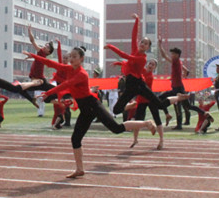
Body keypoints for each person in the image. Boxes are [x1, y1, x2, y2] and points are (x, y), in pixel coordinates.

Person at [25, 47, 172, 179]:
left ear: (81, 59)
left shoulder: (82, 74)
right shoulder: (69, 69)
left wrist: (48, 92)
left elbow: (66, 85)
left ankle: (146, 123)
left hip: (93, 105)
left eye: (75, 56)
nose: (71, 59)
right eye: (71, 56)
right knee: (75, 139)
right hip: (85, 110)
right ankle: (79, 169)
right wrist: (34, 55)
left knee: (116, 128)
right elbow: (52, 64)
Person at [104, 14, 175, 118]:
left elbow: (125, 56)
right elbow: (134, 36)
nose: (143, 44)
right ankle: (132, 105)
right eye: (142, 42)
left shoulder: (143, 58)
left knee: (159, 104)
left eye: (146, 44)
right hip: (130, 85)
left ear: (148, 48)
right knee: (116, 110)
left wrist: (111, 47)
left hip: (139, 84)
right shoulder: (134, 50)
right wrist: (137, 20)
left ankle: (177, 98)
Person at [157, 41, 204, 129]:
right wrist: (181, 75)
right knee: (188, 106)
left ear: (177, 55)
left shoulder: (175, 62)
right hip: (178, 87)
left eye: (173, 54)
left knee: (163, 100)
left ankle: (172, 119)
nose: (171, 55)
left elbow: (164, 56)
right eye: (171, 53)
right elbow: (186, 70)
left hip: (177, 89)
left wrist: (160, 45)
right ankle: (204, 113)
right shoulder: (179, 62)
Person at [128, 59, 166, 150]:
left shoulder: (150, 77)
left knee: (157, 118)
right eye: (150, 63)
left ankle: (161, 140)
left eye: (153, 65)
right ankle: (135, 140)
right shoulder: (142, 71)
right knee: (137, 121)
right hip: (141, 100)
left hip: (150, 99)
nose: (150, 65)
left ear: (155, 68)